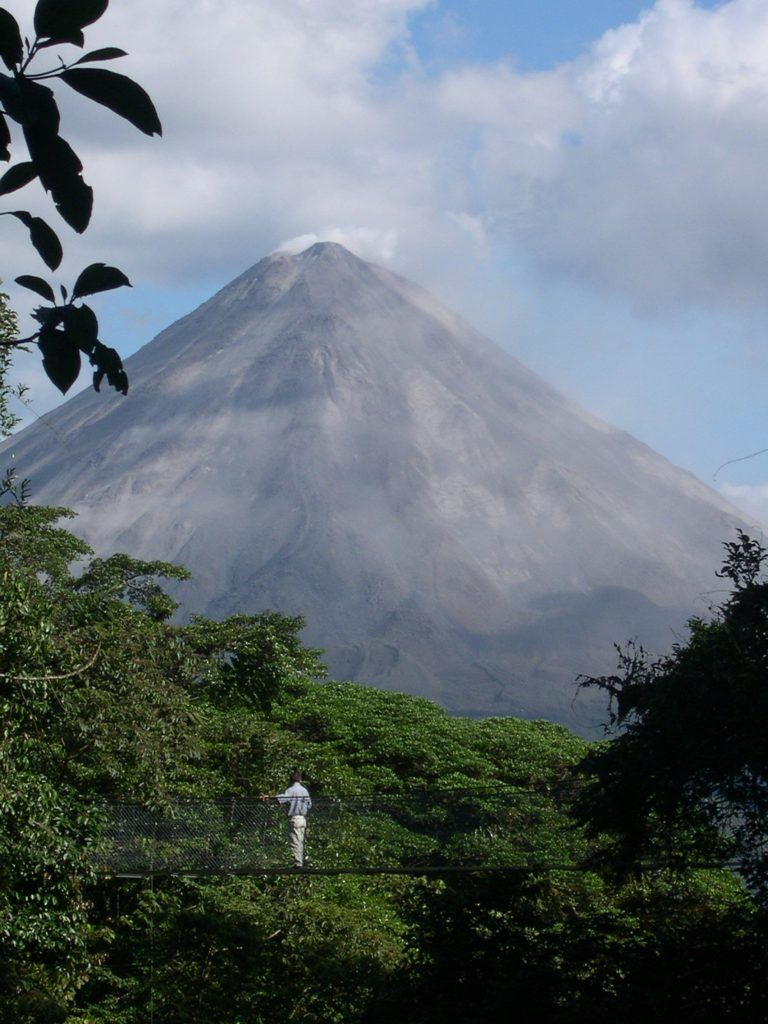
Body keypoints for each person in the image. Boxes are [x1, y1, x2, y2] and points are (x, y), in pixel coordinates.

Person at [276, 771, 312, 867]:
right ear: (300, 780)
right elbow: (309, 804)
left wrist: (271, 798)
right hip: (303, 818)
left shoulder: (291, 790)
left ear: (291, 780)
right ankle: (301, 861)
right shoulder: (305, 791)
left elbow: (283, 798)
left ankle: (298, 864)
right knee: (300, 840)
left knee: (295, 841)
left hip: (294, 818)